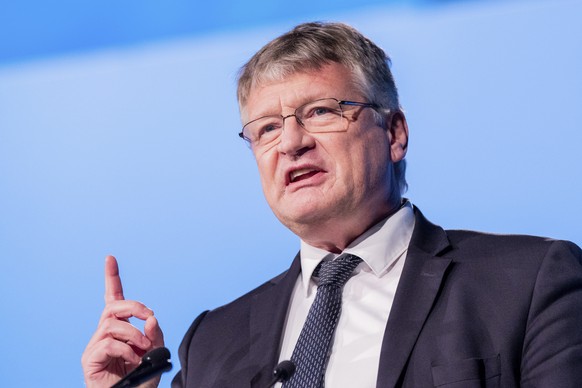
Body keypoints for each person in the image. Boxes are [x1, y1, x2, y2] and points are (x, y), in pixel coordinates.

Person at [82, 22, 582, 387]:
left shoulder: (528, 282)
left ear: (394, 133)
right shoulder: (213, 340)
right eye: (267, 128)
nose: (291, 143)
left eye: (320, 111)